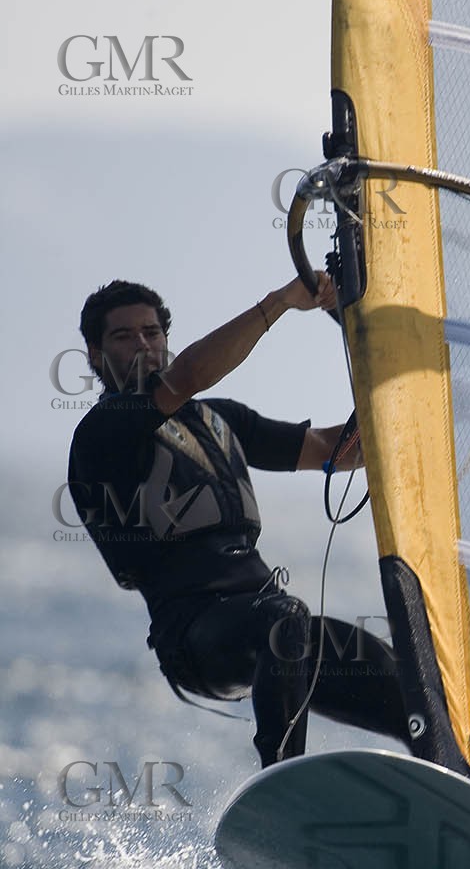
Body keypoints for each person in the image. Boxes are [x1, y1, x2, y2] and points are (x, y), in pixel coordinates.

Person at [67, 276, 409, 767]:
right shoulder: (104, 433)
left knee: (408, 684)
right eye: (124, 336)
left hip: (275, 630)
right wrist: (280, 302)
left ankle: (462, 783)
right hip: (196, 639)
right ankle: (282, 780)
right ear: (97, 356)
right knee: (284, 618)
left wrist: (389, 379)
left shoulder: (218, 421)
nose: (142, 344)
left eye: (151, 332)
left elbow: (333, 451)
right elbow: (187, 377)